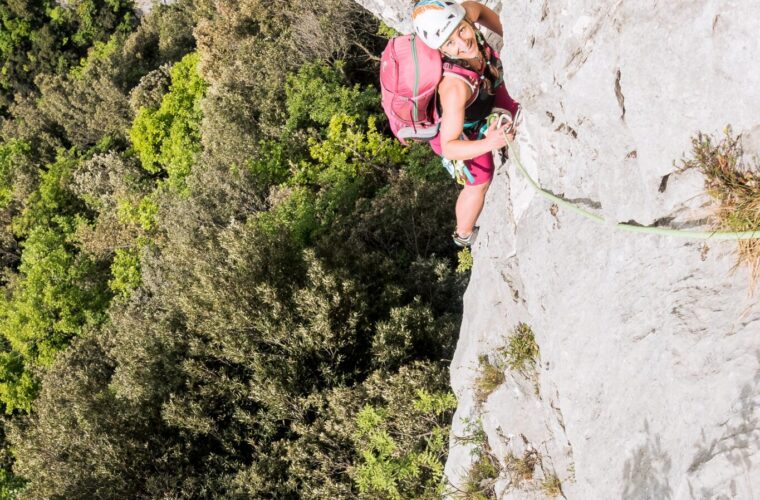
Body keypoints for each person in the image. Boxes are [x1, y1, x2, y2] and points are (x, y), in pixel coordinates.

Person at [412, 0, 520, 247]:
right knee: (480, 179)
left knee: (515, 104)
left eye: (462, 30)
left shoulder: (467, 12)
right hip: (462, 135)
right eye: (450, 43)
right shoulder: (454, 87)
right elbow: (449, 147)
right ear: (442, 50)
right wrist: (489, 142)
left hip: (487, 86)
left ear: (465, 20)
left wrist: (514, 36)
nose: (463, 43)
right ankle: (463, 234)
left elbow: (479, 10)